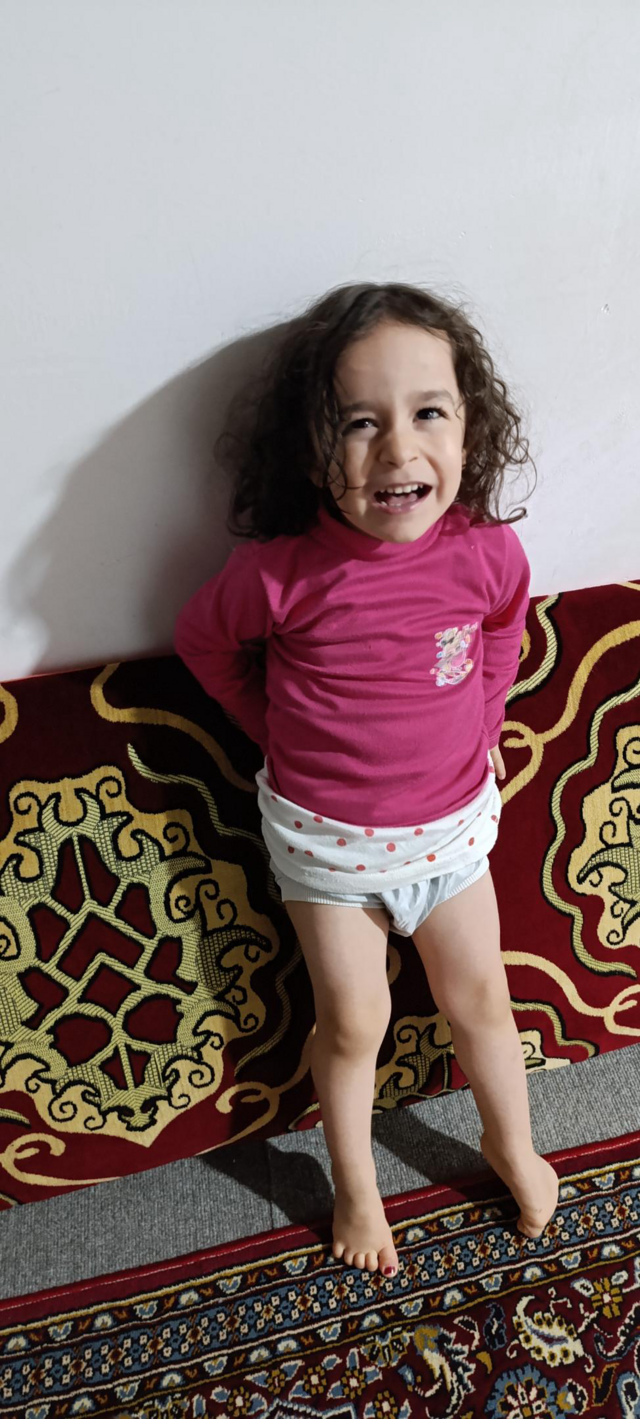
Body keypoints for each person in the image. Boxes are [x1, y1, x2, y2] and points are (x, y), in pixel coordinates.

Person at [174, 281, 559, 1281]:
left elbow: (504, 630)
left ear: (469, 426)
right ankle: (353, 1181)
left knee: (483, 998)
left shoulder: (485, 550)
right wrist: (274, 730)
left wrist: (484, 723)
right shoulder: (279, 572)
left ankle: (512, 1142)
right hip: (328, 846)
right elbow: (205, 643)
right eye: (359, 422)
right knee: (353, 1021)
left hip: (452, 831)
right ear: (313, 449)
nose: (398, 450)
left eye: (428, 412)